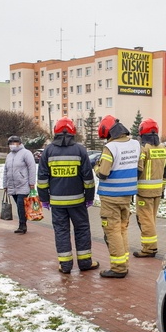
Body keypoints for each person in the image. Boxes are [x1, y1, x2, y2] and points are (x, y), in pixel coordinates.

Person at [36, 117, 100, 274]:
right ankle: (85, 263)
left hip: (57, 203)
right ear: (73, 132)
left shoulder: (48, 151)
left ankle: (65, 265)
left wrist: (44, 199)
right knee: (82, 230)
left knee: (61, 231)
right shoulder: (80, 150)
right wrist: (89, 197)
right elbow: (88, 178)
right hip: (78, 201)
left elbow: (42, 179)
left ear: (55, 132)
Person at [94, 115, 141, 278]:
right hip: (127, 196)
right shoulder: (135, 144)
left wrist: (96, 167)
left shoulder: (111, 147)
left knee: (112, 231)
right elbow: (139, 168)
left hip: (110, 197)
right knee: (122, 229)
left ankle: (118, 268)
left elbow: (103, 173)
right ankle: (124, 262)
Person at [133, 118, 166, 258]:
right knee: (151, 219)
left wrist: (131, 187)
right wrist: (163, 189)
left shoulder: (144, 149)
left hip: (144, 191)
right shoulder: (163, 148)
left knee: (145, 219)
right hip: (157, 191)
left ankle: (149, 248)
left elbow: (138, 169)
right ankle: (151, 246)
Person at [2, 135, 37, 234]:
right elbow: (6, 170)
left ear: (19, 143)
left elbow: (32, 168)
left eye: (14, 143)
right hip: (12, 185)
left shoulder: (26, 153)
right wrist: (5, 184)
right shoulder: (9, 155)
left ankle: (22, 225)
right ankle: (23, 221)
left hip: (23, 184)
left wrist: (31, 183)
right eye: (10, 143)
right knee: (19, 206)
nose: (12, 145)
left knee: (21, 205)